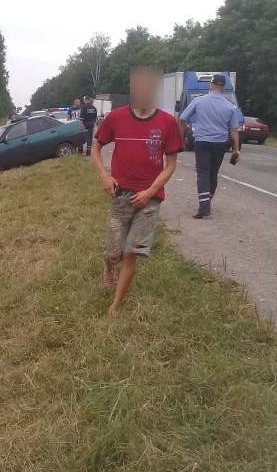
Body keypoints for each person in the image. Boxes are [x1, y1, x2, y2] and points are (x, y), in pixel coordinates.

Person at [91, 66, 184, 316]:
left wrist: (151, 190)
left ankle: (115, 306)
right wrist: (104, 175)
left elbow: (171, 164)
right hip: (120, 195)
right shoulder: (116, 118)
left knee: (131, 252)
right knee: (114, 252)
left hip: (150, 200)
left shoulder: (167, 123)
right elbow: (96, 148)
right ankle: (109, 267)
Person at [179, 73, 242, 218]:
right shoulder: (230, 106)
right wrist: (236, 149)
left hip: (202, 142)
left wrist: (186, 131)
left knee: (203, 172)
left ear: (211, 85)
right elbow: (234, 129)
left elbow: (182, 119)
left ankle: (204, 206)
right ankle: (208, 200)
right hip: (220, 144)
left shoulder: (199, 101)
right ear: (223, 87)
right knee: (213, 173)